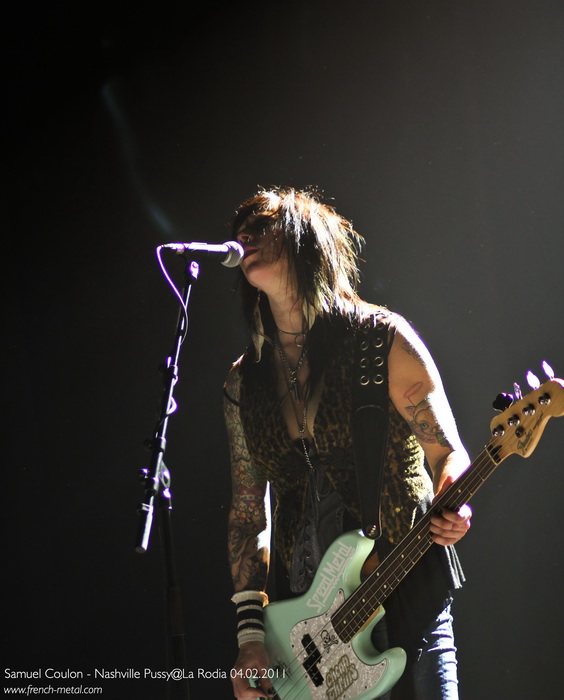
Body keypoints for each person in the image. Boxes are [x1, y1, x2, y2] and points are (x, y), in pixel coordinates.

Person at [223, 187, 472, 700]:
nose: (246, 237)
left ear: (304, 240)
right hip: (308, 629)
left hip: (405, 593)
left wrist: (455, 500)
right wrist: (250, 635)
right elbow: (249, 513)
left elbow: (448, 452)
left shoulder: (380, 341)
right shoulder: (243, 384)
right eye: (240, 231)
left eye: (263, 226)